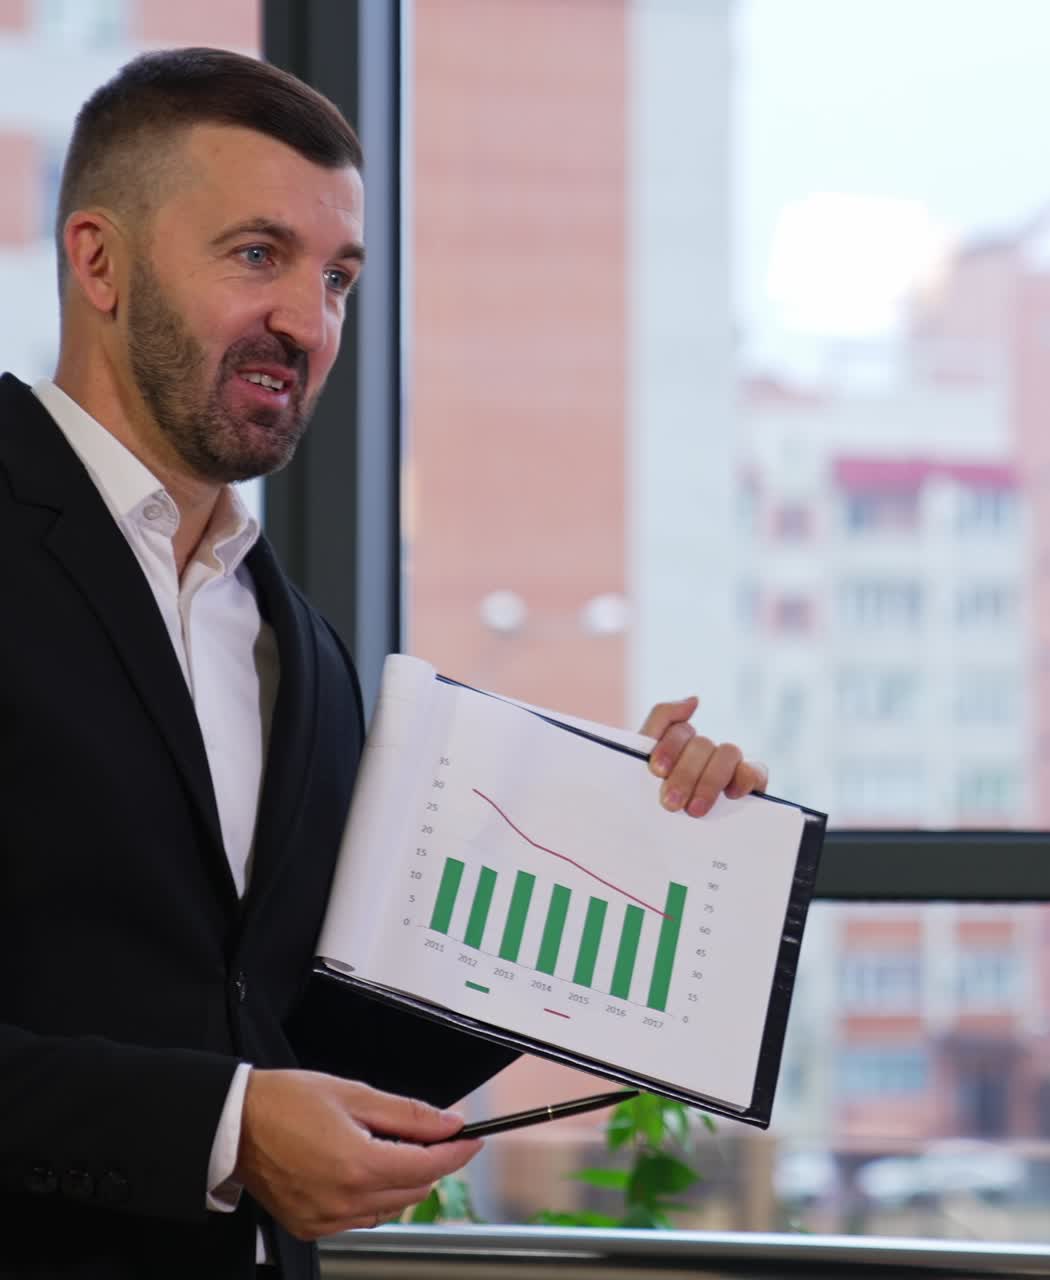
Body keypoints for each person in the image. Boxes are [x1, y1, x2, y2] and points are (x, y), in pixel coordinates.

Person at [0, 46, 766, 1280]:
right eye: (257, 255)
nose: (307, 322)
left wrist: (645, 851)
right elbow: (242, 1105)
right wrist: (222, 1125)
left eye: (339, 277)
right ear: (98, 259)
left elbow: (297, 1045)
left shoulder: (298, 645)